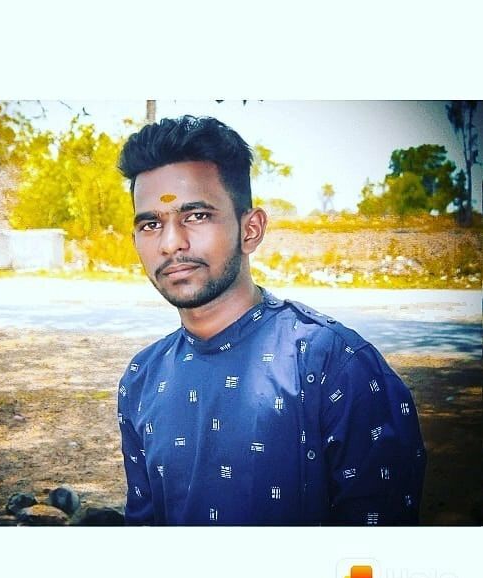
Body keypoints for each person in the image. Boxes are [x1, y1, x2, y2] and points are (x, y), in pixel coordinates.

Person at [116, 115, 426, 526]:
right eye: (151, 224)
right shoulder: (141, 377)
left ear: (251, 230)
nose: (171, 243)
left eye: (196, 216)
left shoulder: (333, 365)